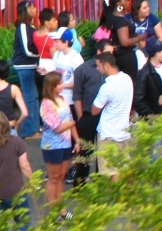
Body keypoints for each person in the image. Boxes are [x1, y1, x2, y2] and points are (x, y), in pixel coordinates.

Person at [72, 40, 111, 186]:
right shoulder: (83, 69)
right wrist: (81, 116)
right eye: (108, 52)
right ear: (99, 52)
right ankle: (79, 185)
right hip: (88, 115)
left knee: (103, 150)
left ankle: (100, 182)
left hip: (105, 115)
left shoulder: (112, 68)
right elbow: (77, 95)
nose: (111, 55)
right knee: (85, 152)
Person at [91, 52, 135, 180]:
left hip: (108, 133)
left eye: (98, 66)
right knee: (125, 167)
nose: (97, 69)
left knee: (111, 171)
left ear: (106, 66)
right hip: (124, 131)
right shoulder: (127, 79)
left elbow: (95, 110)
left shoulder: (106, 87)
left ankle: (116, 199)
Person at [40, 72, 77, 210]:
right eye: (60, 83)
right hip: (52, 146)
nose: (62, 86)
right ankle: (52, 209)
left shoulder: (62, 99)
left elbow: (69, 119)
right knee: (53, 178)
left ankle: (62, 209)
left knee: (61, 176)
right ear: (52, 86)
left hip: (66, 144)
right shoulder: (46, 104)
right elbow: (57, 127)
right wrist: (72, 123)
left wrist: (77, 140)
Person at [12, 0, 41, 139]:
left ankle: (34, 127)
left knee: (33, 96)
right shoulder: (23, 26)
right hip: (25, 66)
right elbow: (27, 49)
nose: (35, 9)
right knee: (30, 97)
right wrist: (40, 55)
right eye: (32, 7)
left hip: (31, 65)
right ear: (26, 10)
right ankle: (28, 131)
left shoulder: (30, 25)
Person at [100, 0, 144, 78]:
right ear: (118, 4)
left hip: (114, 55)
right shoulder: (121, 21)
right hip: (125, 57)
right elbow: (125, 42)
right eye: (125, 0)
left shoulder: (109, 17)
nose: (128, 2)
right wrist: (139, 38)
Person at [134, 39, 162, 118]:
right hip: (153, 118)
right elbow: (137, 100)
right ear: (157, 54)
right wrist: (151, 114)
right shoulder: (144, 74)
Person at [50, 28, 83, 114]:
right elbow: (54, 73)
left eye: (57, 41)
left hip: (70, 100)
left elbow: (80, 82)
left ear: (66, 42)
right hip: (57, 98)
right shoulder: (57, 54)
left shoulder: (76, 58)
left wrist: (61, 85)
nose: (54, 44)